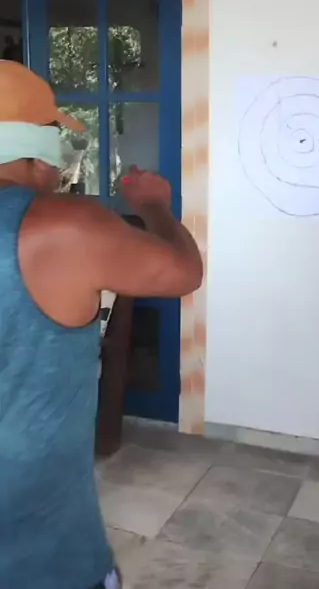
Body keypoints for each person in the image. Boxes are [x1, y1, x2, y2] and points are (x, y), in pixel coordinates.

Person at [0, 60, 203, 589]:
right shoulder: (64, 225)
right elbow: (183, 271)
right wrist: (155, 208)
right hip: (42, 556)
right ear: (36, 148)